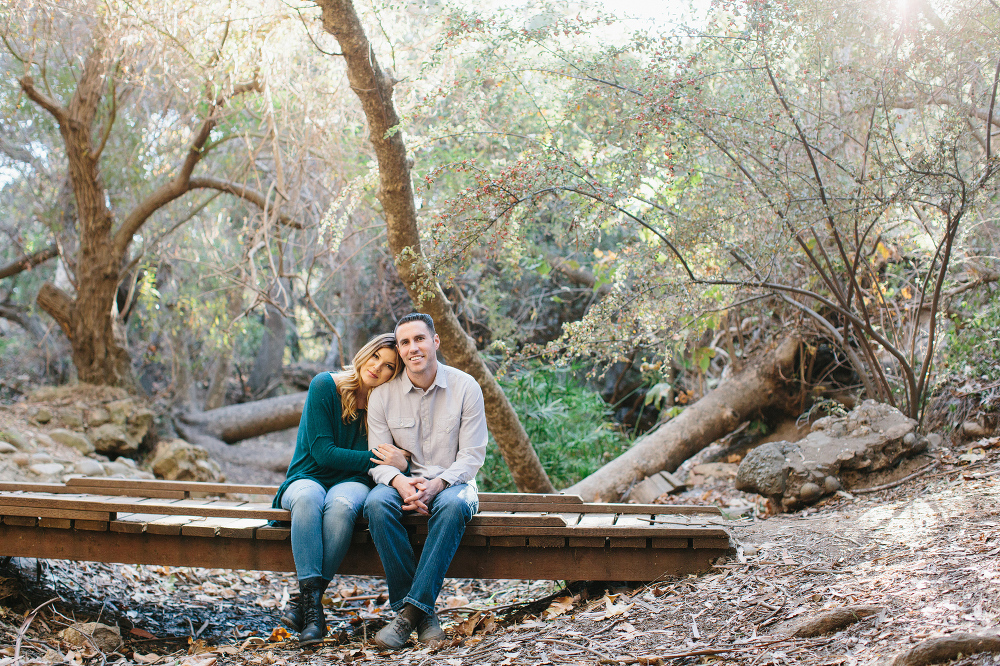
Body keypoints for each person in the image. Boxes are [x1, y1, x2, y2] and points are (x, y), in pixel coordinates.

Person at [273, 333, 409, 646]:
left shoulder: (386, 404)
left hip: (353, 483)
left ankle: (306, 605)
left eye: (389, 366)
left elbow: (403, 458)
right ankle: (313, 611)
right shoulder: (325, 385)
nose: (377, 367)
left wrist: (399, 462)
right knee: (308, 499)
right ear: (365, 353)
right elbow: (324, 453)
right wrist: (380, 459)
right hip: (308, 475)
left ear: (394, 374)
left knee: (343, 506)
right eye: (376, 357)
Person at [364, 313, 488, 649]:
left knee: (452, 506)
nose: (412, 347)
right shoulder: (382, 397)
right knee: (375, 504)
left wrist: (439, 483)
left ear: (435, 341)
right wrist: (400, 482)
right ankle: (425, 616)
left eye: (419, 338)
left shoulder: (466, 387)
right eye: (404, 342)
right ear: (400, 350)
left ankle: (407, 617)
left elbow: (473, 455)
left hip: (454, 484)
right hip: (402, 486)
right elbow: (378, 461)